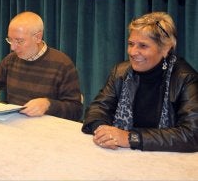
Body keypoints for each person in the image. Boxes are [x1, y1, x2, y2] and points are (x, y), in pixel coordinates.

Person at [82, 12, 198, 152]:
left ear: (165, 49)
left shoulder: (186, 78)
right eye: (131, 44)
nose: (132, 52)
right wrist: (103, 131)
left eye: (143, 46)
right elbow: (97, 109)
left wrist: (132, 138)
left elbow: (191, 135)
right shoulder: (120, 72)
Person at [0, 11, 83, 121]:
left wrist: (48, 105)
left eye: (19, 41)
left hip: (47, 131)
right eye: (10, 40)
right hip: (16, 125)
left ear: (38, 37)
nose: (13, 47)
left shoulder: (62, 64)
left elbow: (76, 110)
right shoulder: (12, 59)